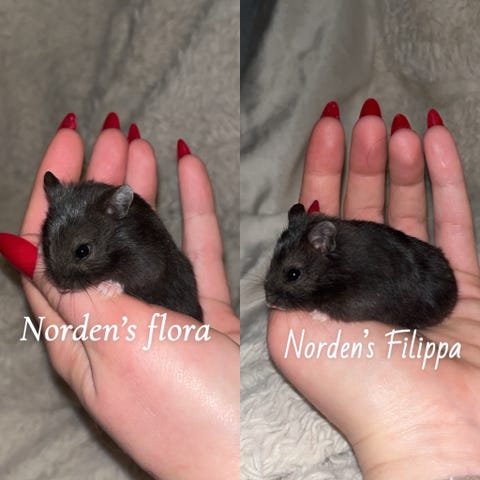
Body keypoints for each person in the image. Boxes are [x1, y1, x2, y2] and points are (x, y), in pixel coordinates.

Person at [0, 112, 239, 479]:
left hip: (173, 304)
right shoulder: (70, 220)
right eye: (48, 247)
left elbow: (152, 268)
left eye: (81, 253)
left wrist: (118, 282)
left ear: (117, 214)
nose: (58, 277)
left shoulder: (132, 240)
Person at [267, 98, 480, 479]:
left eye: (293, 276)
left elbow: (361, 301)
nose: (274, 294)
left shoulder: (357, 275)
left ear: (324, 245)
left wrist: (325, 309)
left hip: (433, 298)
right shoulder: (341, 258)